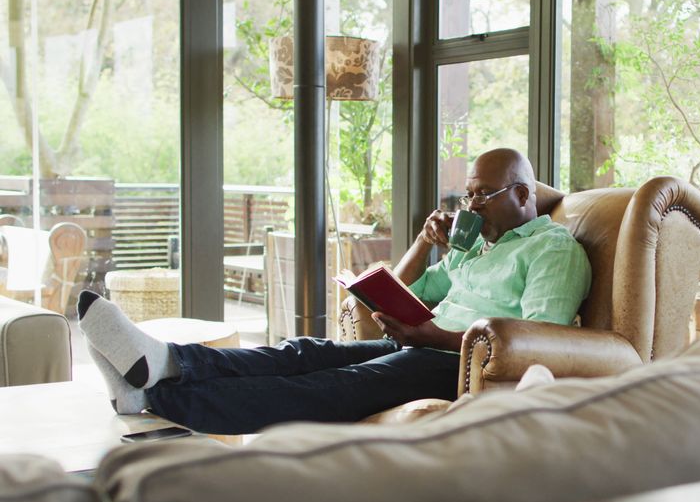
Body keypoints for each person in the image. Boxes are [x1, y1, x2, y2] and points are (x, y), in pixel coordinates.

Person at [78, 148, 591, 435]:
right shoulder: (474, 243)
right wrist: (423, 241)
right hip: (425, 343)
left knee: (335, 384)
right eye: (467, 193)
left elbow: (533, 340)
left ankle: (156, 395)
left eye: (484, 194)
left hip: (463, 365)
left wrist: (430, 334)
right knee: (306, 352)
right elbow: (398, 288)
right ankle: (165, 360)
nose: (471, 204)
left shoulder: (552, 249)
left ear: (523, 195)